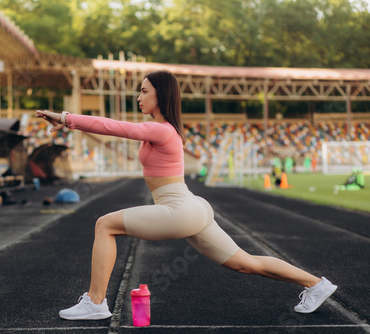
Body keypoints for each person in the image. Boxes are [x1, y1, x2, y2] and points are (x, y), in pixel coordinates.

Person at [36, 70, 337, 321]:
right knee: (245, 263)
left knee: (104, 225)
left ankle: (96, 302)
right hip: (191, 207)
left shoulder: (163, 130)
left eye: (143, 91)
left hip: (180, 209)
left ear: (160, 95)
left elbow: (116, 128)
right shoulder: (162, 129)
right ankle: (316, 284)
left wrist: (66, 118)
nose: (138, 97)